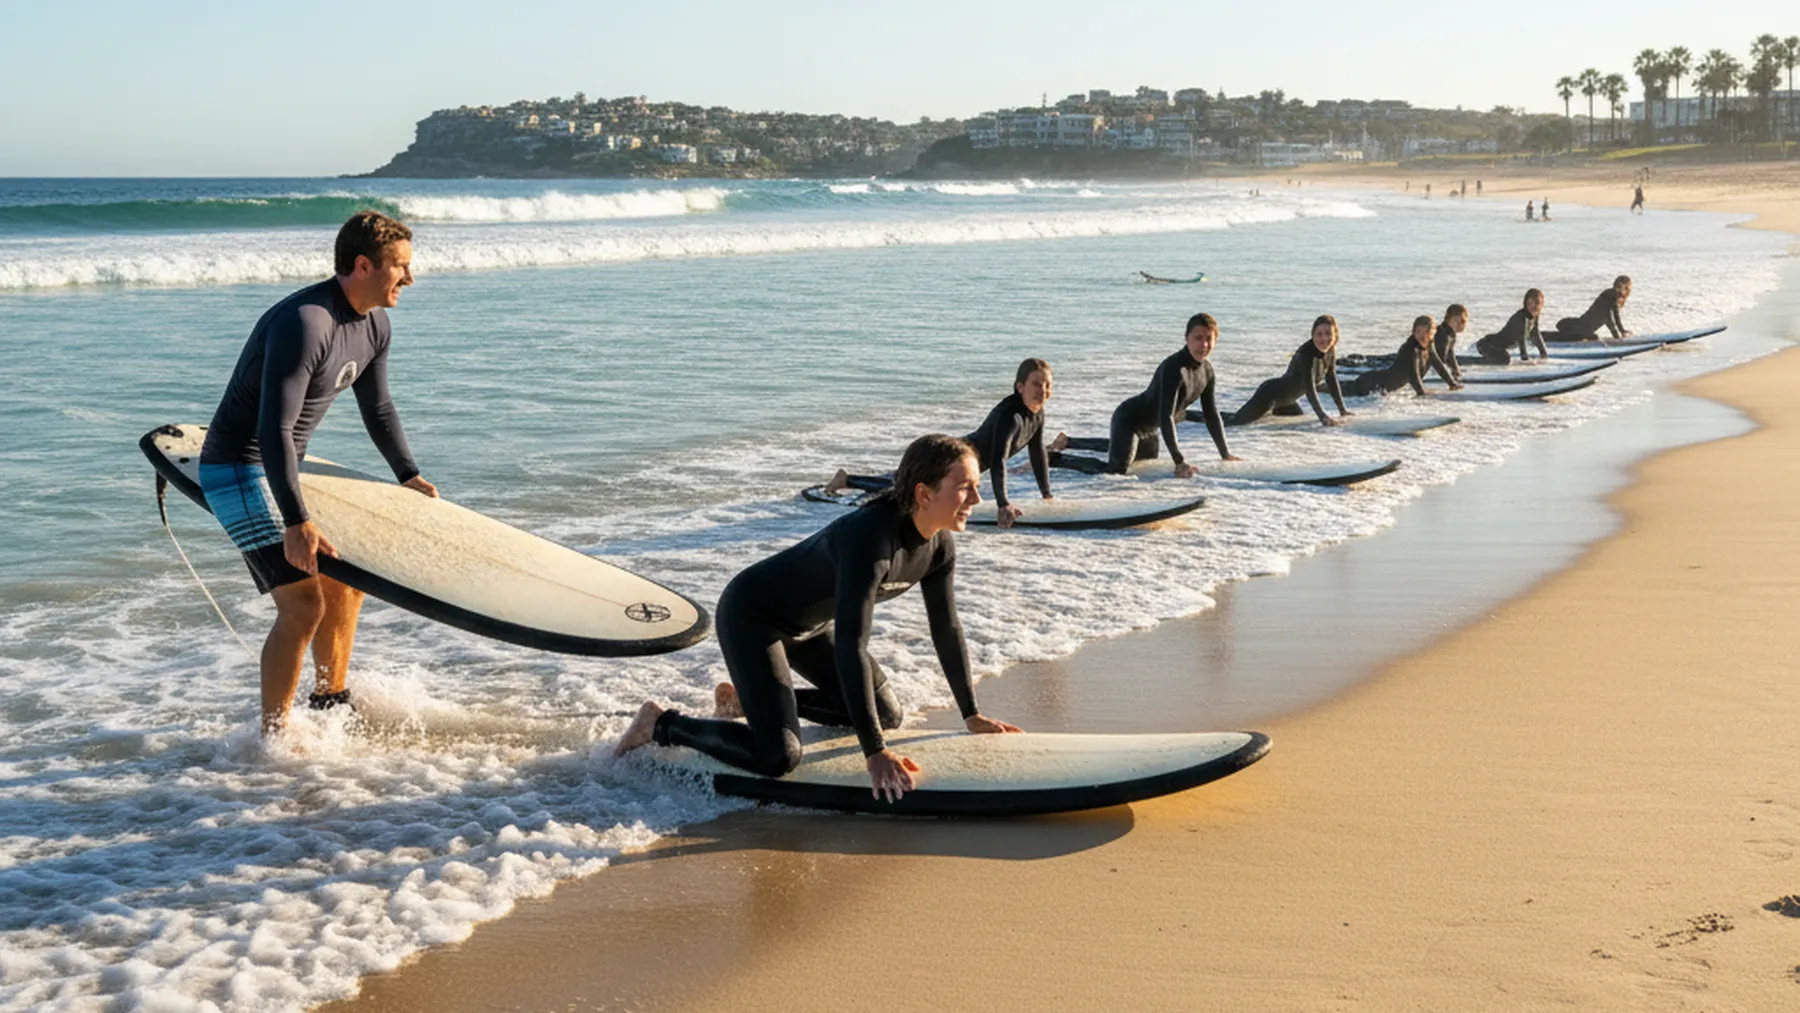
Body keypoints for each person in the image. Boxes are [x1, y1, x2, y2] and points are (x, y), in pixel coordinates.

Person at [615, 434, 1022, 803]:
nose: (976, 500)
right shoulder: (870, 539)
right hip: (753, 617)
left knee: (886, 716)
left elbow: (946, 629)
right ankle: (661, 724)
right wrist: (875, 753)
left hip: (809, 627)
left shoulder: (938, 546)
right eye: (965, 488)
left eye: (977, 487)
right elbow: (851, 646)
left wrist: (971, 714)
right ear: (924, 493)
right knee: (779, 756)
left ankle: (744, 702)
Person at [196, 211, 437, 735]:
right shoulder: (306, 322)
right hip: (238, 467)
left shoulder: (375, 324)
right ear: (362, 265)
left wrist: (408, 474)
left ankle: (331, 700)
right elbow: (275, 429)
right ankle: (274, 739)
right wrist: (296, 520)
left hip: (287, 468)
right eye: (401, 268)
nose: (411, 279)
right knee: (304, 605)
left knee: (347, 582)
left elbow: (378, 409)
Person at [823, 359, 1056, 529]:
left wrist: (1047, 496)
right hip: (953, 457)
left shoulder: (1037, 413)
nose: (1042, 390)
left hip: (962, 460)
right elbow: (998, 461)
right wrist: (1003, 504)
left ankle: (850, 479)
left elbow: (1037, 454)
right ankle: (846, 480)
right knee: (903, 487)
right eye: (1036, 384)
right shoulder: (1011, 417)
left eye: (1046, 385)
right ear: (1019, 387)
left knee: (903, 482)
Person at [1048, 313, 1236, 475]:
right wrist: (1179, 461)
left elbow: (1211, 415)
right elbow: (1166, 417)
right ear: (1186, 338)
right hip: (1130, 420)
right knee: (1116, 470)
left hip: (1149, 429)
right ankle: (1053, 459)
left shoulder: (1208, 371)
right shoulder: (1174, 368)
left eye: (1208, 338)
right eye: (1198, 337)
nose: (1203, 344)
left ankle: (1068, 441)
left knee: (1142, 458)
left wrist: (1225, 454)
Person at [1225, 315, 1351, 427]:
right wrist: (1323, 417)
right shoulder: (1306, 354)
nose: (1324, 339)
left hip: (1287, 402)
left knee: (1293, 425)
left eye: (1328, 333)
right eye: (1319, 334)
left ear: (1335, 335)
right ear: (1312, 335)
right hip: (1270, 395)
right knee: (1234, 423)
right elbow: (1310, 389)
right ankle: (1207, 417)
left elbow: (1331, 379)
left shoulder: (1330, 350)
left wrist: (1342, 410)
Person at [1342, 315, 1440, 398]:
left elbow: (1437, 364)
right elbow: (1414, 375)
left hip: (1378, 382)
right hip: (1371, 383)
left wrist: (1453, 384)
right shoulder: (1410, 349)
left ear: (1432, 333)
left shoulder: (1429, 346)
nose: (1422, 337)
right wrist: (1421, 393)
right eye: (1418, 332)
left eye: (1426, 333)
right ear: (1413, 332)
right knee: (1337, 391)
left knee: (1339, 389)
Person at [1473, 288, 1550, 364]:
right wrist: (1525, 360)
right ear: (1526, 304)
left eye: (1537, 303)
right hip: (1486, 345)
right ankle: (1478, 363)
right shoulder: (1520, 318)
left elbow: (1536, 334)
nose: (1534, 307)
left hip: (1495, 346)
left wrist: (1543, 353)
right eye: (1530, 304)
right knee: (1505, 358)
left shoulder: (1534, 317)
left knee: (1505, 357)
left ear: (1541, 305)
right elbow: (1521, 340)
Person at [1554, 275, 1632, 340]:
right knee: (1561, 324)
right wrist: (1621, 333)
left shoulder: (1611, 295)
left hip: (1584, 327)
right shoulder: (1610, 296)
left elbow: (1608, 319)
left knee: (1591, 335)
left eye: (1620, 288)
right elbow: (1614, 318)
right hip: (1583, 327)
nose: (1618, 290)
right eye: (1617, 287)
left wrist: (1617, 336)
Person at [1430, 305, 1469, 387]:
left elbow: (1450, 355)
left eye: (1464, 321)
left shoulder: (1450, 334)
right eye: (1461, 321)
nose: (1463, 325)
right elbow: (1440, 359)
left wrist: (1456, 371)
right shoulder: (1443, 335)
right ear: (1450, 319)